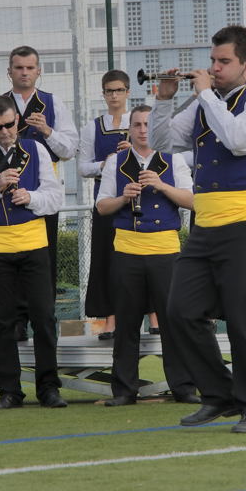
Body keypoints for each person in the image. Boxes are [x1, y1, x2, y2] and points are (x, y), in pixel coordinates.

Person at [149, 25, 246, 433]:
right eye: (212, 61)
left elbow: (238, 141)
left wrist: (205, 94)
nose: (214, 68)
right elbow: (163, 143)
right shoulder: (207, 103)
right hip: (207, 225)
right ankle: (219, 394)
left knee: (244, 317)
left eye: (223, 62)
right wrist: (164, 102)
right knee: (181, 311)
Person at [0, 95, 66, 409]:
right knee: (2, 322)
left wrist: (30, 197)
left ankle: (49, 388)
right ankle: (9, 390)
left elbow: (54, 198)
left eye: (8, 125)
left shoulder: (36, 150)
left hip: (33, 243)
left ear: (17, 120)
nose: (4, 132)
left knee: (44, 318)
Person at [95, 105, 199, 406]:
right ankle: (125, 390)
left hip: (165, 249)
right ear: (130, 128)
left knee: (172, 321)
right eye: (137, 124)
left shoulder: (172, 159)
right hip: (127, 248)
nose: (142, 130)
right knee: (126, 324)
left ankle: (183, 387)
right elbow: (102, 207)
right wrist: (123, 197)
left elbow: (192, 201)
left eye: (147, 124)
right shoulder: (116, 161)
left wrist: (161, 185)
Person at [0, 46, 78, 340]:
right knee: (6, 263)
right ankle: (16, 322)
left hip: (43, 194)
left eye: (29, 67)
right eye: (18, 67)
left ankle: (43, 320)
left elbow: (69, 150)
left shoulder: (52, 103)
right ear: (9, 71)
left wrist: (47, 131)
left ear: (38, 71)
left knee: (44, 260)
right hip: (2, 194)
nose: (24, 72)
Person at [78, 70, 132, 341]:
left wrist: (132, 151)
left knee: (143, 260)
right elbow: (83, 167)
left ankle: (153, 315)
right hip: (107, 202)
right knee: (107, 260)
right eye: (109, 91)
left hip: (139, 201)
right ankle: (110, 319)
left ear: (127, 92)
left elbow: (159, 155)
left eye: (119, 90)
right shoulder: (93, 127)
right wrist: (107, 162)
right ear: (103, 94)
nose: (114, 96)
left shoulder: (140, 122)